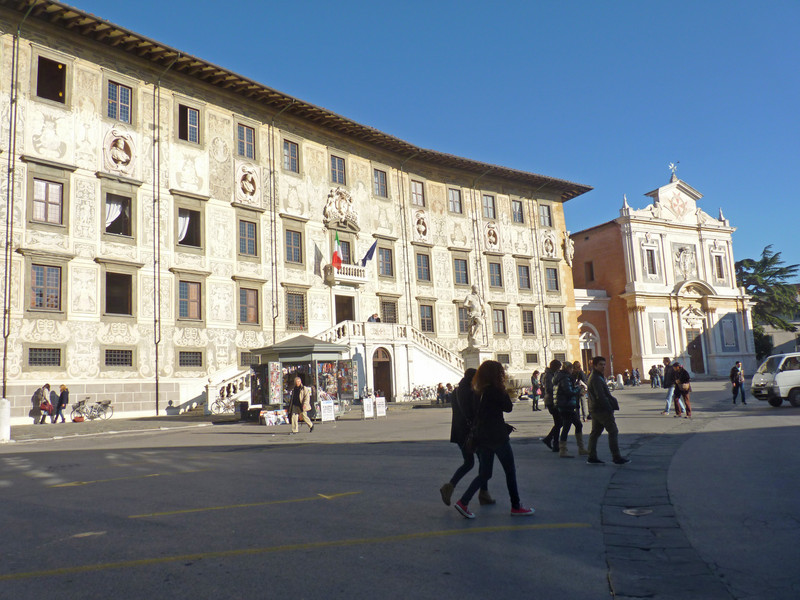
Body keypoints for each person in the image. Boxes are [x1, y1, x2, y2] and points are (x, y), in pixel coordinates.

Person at [453, 360, 534, 519]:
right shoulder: (495, 390)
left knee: (485, 473)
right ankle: (516, 506)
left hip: (481, 437)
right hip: (497, 436)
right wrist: (503, 390)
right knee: (510, 471)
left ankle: (463, 501)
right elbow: (508, 407)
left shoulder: (477, 391)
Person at [439, 368, 494, 507]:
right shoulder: (471, 391)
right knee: (483, 464)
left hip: (459, 433)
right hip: (472, 433)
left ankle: (451, 487)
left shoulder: (456, 391)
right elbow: (475, 412)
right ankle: (483, 492)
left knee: (469, 463)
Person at [586, 356, 630, 465]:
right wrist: (609, 408)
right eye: (601, 364)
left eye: (604, 364)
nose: (603, 366)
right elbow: (600, 396)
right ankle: (616, 457)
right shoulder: (595, 378)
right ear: (595, 365)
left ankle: (591, 456)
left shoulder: (597, 376)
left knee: (595, 433)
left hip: (595, 408)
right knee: (613, 431)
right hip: (601, 409)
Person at [554, 362, 589, 458]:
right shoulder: (565, 378)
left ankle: (580, 448)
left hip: (566, 405)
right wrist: (578, 389)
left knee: (577, 425)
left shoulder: (563, 376)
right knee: (567, 426)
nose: (572, 370)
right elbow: (568, 391)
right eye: (571, 368)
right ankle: (564, 450)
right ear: (568, 368)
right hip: (566, 405)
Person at [541, 359, 562, 453]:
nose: (559, 369)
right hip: (551, 401)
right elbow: (549, 388)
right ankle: (553, 442)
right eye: (558, 367)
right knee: (559, 422)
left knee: (558, 423)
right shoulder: (549, 375)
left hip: (553, 400)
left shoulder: (552, 374)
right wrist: (558, 390)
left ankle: (552, 441)